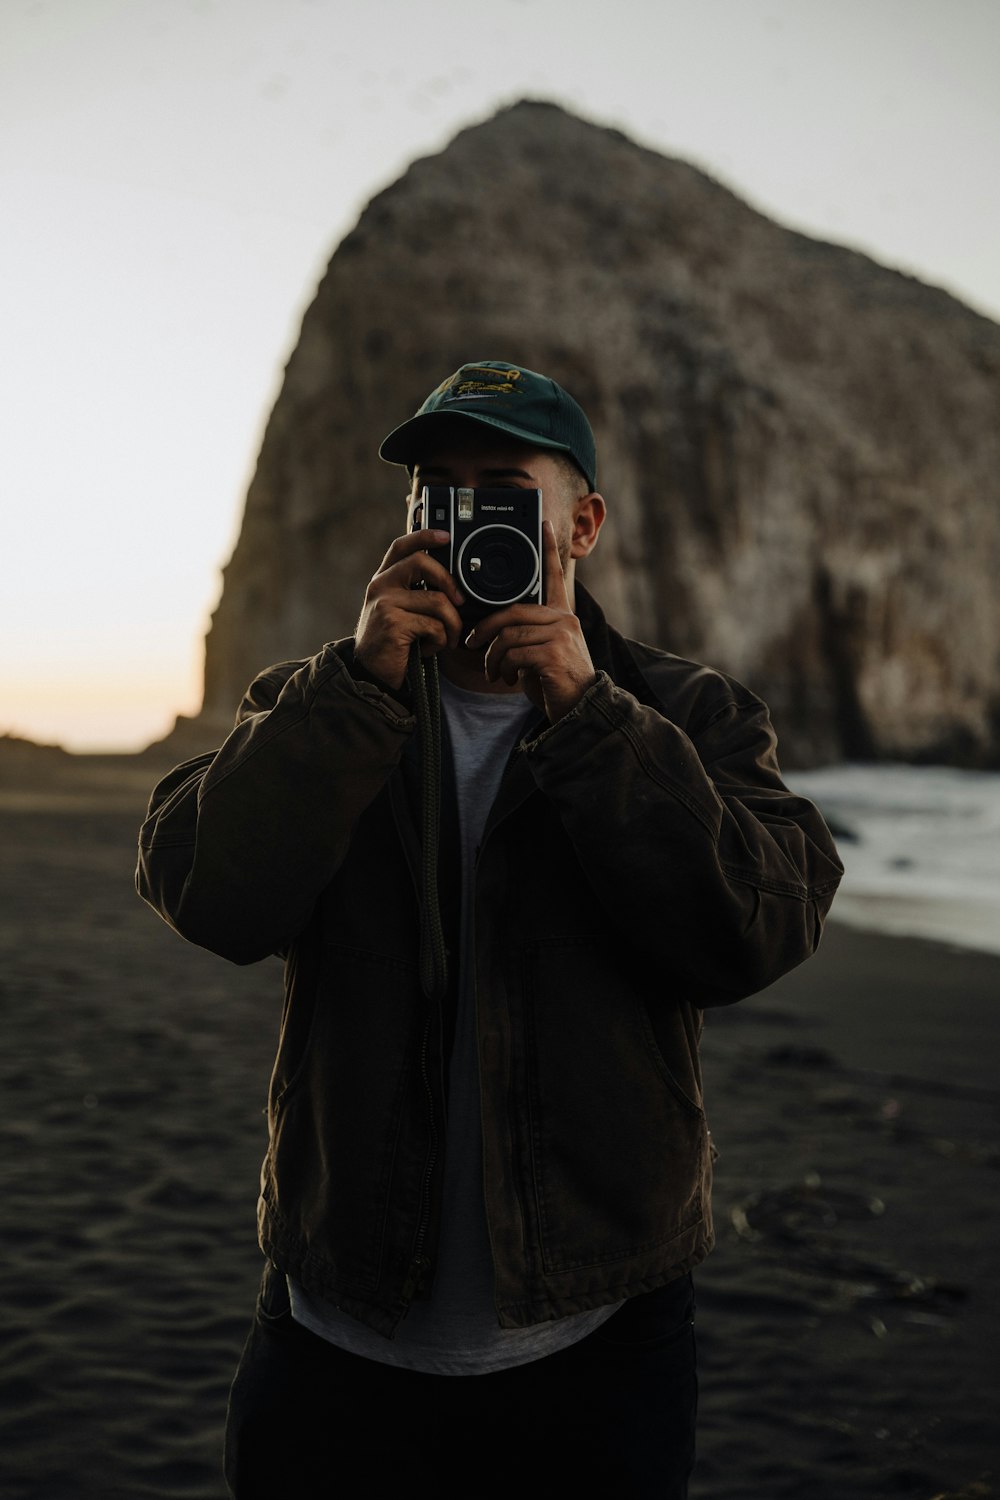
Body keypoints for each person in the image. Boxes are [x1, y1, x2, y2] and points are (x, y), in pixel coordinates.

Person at [137, 359, 842, 1497]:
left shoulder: (686, 715)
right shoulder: (322, 703)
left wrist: (592, 719)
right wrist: (360, 686)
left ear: (582, 525)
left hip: (597, 1333)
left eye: (502, 489)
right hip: (336, 1328)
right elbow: (210, 897)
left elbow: (753, 931)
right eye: (438, 495)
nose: (467, 521)